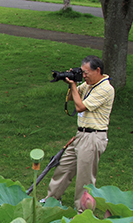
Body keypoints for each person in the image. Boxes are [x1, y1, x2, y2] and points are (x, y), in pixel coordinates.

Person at [44, 55, 114, 211]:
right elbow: (71, 98)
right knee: (63, 167)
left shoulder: (105, 88)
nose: (84, 76)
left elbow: (81, 106)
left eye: (86, 73)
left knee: (85, 177)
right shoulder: (88, 85)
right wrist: (70, 82)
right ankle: (51, 200)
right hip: (81, 135)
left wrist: (75, 86)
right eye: (81, 72)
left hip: (93, 136)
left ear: (98, 70)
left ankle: (83, 210)